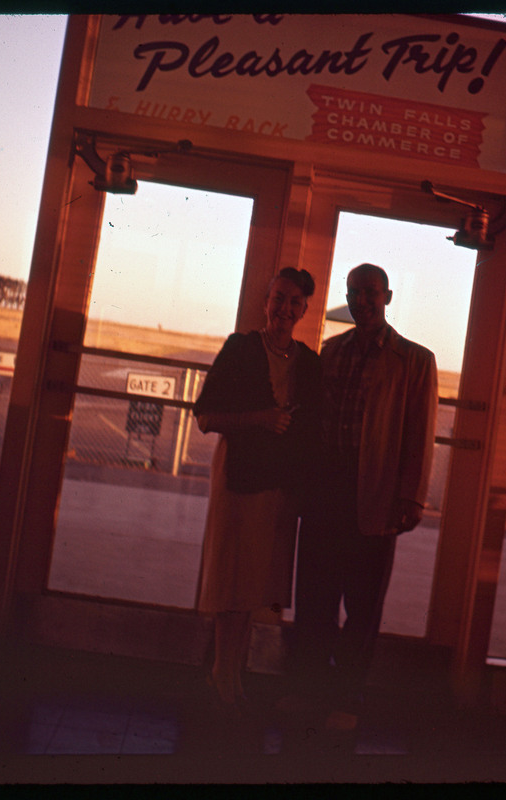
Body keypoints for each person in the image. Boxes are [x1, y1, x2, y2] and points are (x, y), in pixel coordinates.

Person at [289, 263, 438, 728]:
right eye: (355, 293)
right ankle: (308, 693)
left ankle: (346, 701)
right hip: (324, 492)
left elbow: (420, 435)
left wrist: (411, 498)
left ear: (388, 297)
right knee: (314, 602)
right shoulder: (330, 352)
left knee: (362, 607)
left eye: (371, 293)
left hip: (373, 495)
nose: (363, 301)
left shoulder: (414, 360)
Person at [193, 267, 321, 711]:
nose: (284, 309)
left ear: (304, 310)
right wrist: (259, 418)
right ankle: (223, 672)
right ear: (265, 301)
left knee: (251, 584)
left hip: (277, 488)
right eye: (278, 299)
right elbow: (206, 416)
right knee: (231, 580)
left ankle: (230, 672)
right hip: (239, 480)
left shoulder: (309, 363)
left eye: (294, 303)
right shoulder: (240, 349)